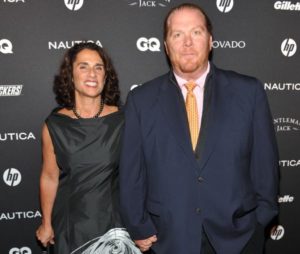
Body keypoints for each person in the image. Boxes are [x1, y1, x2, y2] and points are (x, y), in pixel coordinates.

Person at [119, 3, 279, 254]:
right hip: (168, 239)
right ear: (165, 45)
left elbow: (265, 165)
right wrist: (139, 226)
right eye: (177, 34)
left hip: (239, 237)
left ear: (211, 40)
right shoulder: (141, 100)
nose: (187, 43)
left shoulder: (249, 92)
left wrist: (260, 221)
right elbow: (131, 173)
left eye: (196, 32)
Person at [36, 42, 141, 254]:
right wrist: (46, 223)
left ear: (105, 75)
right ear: (71, 75)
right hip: (70, 228)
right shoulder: (54, 125)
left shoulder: (124, 120)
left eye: (98, 67)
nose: (92, 74)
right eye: (83, 66)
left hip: (115, 228)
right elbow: (49, 176)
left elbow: (140, 174)